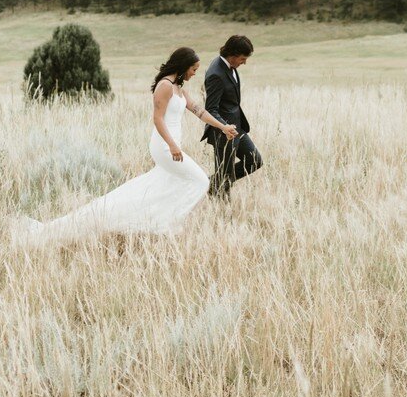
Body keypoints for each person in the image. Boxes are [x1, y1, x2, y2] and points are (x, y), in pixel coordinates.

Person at [19, 47, 237, 245]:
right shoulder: (165, 86)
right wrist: (172, 145)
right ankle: (167, 223)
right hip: (164, 146)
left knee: (157, 187)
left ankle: (142, 220)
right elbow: (158, 119)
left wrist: (223, 127)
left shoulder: (179, 88)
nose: (194, 74)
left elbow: (199, 111)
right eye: (193, 69)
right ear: (182, 66)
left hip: (172, 145)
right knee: (200, 180)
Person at [201, 35, 262, 201]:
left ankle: (208, 184)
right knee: (225, 176)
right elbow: (211, 110)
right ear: (233, 55)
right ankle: (220, 205)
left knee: (254, 160)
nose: (244, 62)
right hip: (223, 133)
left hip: (237, 127)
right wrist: (224, 127)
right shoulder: (216, 73)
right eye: (242, 59)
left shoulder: (230, 66)